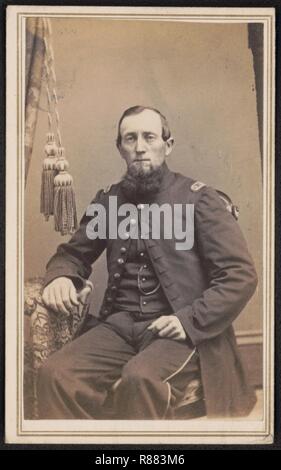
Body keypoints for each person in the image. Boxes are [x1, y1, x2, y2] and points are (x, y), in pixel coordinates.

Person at [38, 105, 258, 419]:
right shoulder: (109, 202)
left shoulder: (200, 199)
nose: (140, 147)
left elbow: (240, 275)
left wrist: (188, 319)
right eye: (130, 138)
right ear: (120, 148)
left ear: (168, 145)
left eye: (149, 137)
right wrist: (61, 276)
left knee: (139, 378)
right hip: (119, 326)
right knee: (55, 373)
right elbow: (72, 255)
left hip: (179, 329)